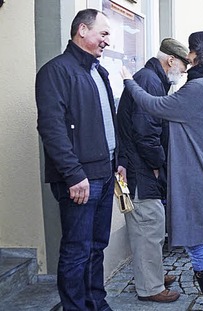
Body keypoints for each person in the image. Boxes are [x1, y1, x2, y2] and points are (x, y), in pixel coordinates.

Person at [121, 31, 203, 310]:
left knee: (196, 244)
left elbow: (154, 106)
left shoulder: (199, 88)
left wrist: (128, 81)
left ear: (201, 53)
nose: (189, 58)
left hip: (194, 177)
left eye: (192, 52)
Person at [35, 9, 122, 310]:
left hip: (105, 172)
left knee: (97, 247)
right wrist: (73, 175)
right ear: (82, 30)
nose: (107, 41)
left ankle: (96, 302)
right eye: (104, 33)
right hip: (80, 179)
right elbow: (51, 128)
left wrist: (118, 160)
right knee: (76, 250)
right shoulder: (55, 71)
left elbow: (107, 122)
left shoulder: (98, 71)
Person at [116, 38, 189, 303]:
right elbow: (146, 133)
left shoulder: (150, 78)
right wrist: (157, 165)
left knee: (151, 227)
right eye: (182, 66)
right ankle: (150, 287)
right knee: (149, 227)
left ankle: (153, 274)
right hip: (141, 170)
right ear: (171, 60)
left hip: (139, 166)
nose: (182, 72)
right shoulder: (150, 81)